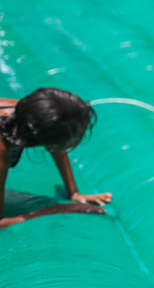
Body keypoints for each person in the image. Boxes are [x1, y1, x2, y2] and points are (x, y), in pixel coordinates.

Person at [1, 88, 111, 229]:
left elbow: (55, 136)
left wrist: (74, 192)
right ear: (50, 144)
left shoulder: (29, 113)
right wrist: (59, 209)